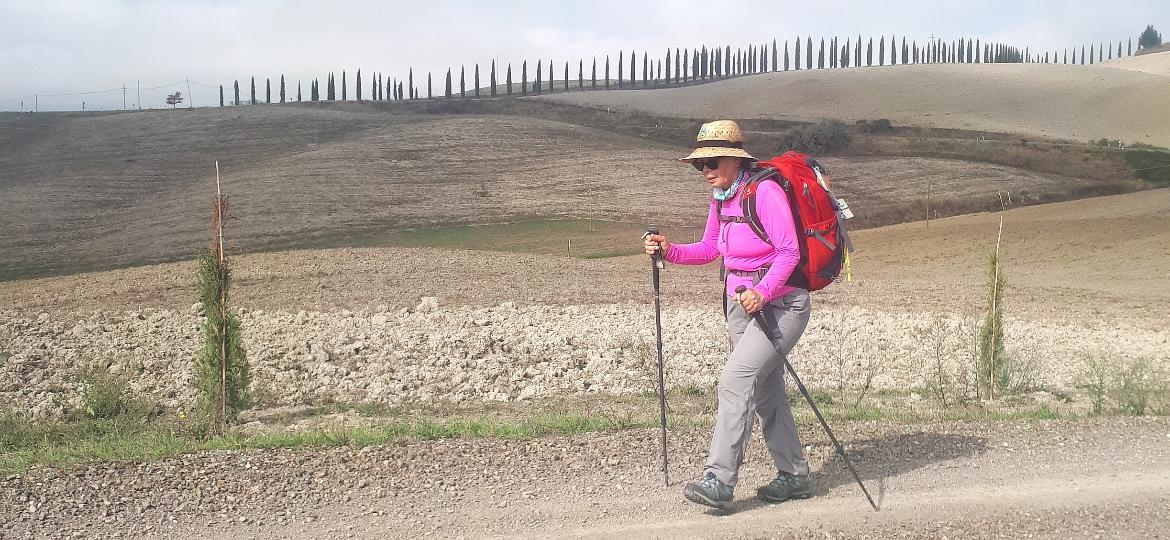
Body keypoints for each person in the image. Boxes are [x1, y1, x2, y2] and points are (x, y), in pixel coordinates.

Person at [643, 120, 811, 511]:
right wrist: (669, 250)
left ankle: (719, 479)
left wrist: (762, 291)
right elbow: (708, 249)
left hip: (782, 305)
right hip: (740, 305)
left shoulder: (765, 192)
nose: (705, 169)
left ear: (735, 160)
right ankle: (795, 475)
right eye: (698, 164)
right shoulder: (722, 199)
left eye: (712, 161)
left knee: (735, 379)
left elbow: (789, 252)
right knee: (767, 390)